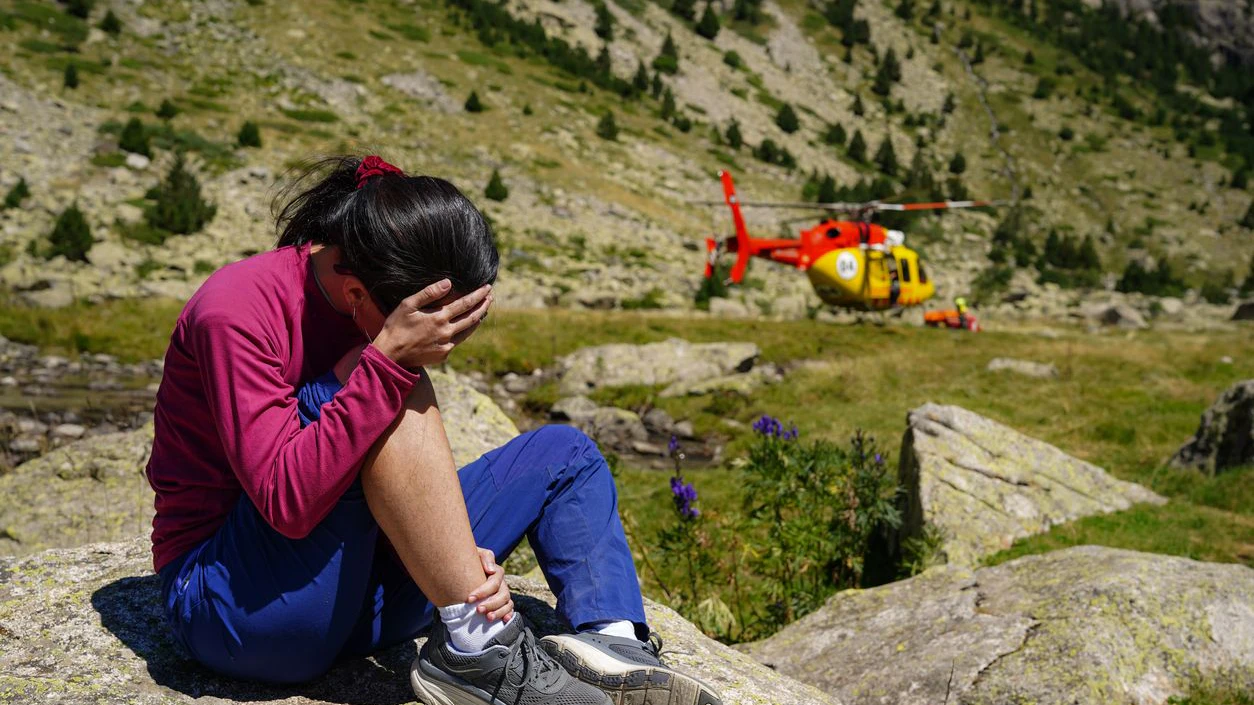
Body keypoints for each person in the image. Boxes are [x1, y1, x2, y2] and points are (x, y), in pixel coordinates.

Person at [146, 155, 721, 705]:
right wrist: (390, 361)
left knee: (564, 455)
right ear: (355, 294)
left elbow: (383, 486)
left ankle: (614, 648)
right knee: (395, 387)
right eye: (439, 335)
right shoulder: (235, 309)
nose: (445, 351)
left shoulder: (376, 296)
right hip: (239, 606)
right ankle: (479, 648)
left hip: (356, 586)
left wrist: (453, 558)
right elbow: (286, 503)